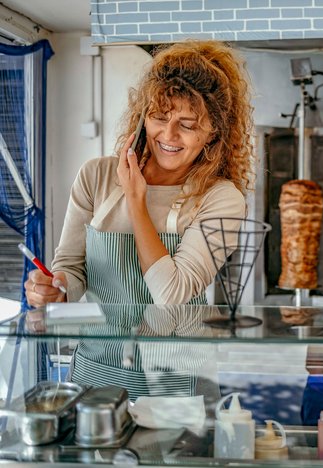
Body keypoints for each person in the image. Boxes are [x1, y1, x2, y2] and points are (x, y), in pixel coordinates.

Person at [24, 40, 254, 308]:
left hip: (176, 350)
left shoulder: (221, 199)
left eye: (187, 125)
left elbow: (171, 294)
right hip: (101, 349)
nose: (168, 135)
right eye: (159, 117)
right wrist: (56, 288)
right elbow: (71, 268)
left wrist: (136, 200)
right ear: (143, 116)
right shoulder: (95, 175)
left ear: (214, 132)